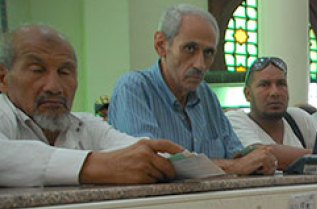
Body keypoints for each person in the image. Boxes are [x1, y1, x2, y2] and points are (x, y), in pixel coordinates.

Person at [0, 24, 182, 187]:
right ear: (3, 78)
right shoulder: (4, 116)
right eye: (37, 71)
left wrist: (176, 161)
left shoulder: (86, 126)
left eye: (64, 72)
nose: (54, 87)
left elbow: (145, 154)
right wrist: (94, 166)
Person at [110, 4, 276, 175]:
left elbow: (236, 154)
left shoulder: (206, 96)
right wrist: (232, 167)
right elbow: (150, 163)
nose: (200, 64)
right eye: (190, 49)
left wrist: (258, 159)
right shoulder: (133, 89)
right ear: (161, 45)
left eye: (208, 53)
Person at [226, 57, 317, 171]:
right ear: (248, 94)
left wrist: (316, 158)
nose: (275, 92)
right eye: (265, 85)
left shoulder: (296, 117)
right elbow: (261, 157)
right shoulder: (235, 120)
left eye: (281, 84)